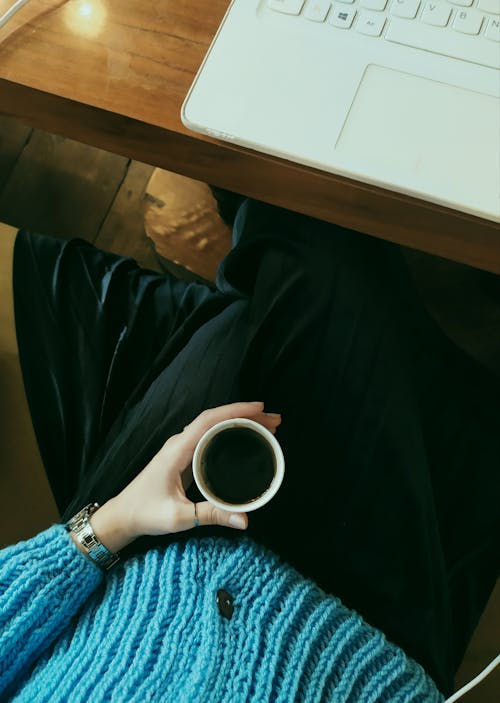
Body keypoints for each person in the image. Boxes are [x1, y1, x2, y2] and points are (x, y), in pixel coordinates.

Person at [0, 190, 498, 701]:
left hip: (138, 556)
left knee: (303, 265)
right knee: (319, 266)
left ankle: (252, 167)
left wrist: (107, 525)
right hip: (362, 653)